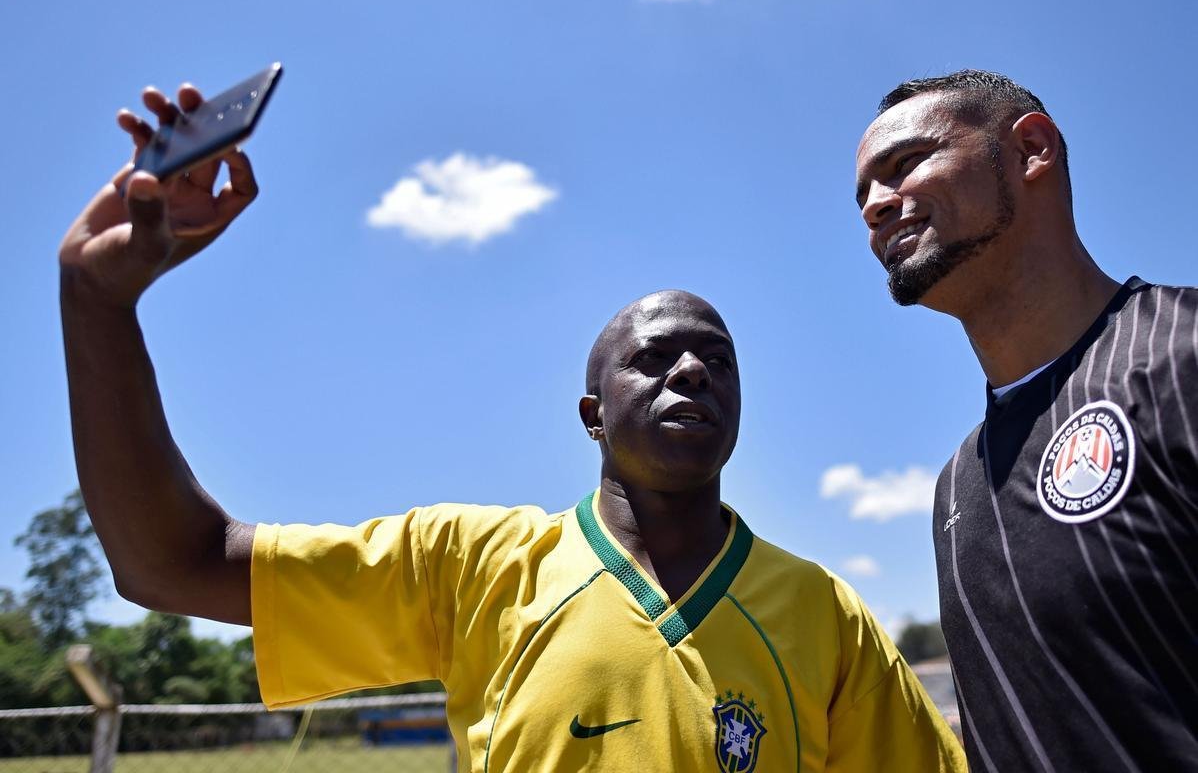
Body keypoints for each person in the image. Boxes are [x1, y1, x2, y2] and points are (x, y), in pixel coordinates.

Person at [59, 81, 964, 772]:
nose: (693, 370)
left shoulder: (824, 615)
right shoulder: (469, 567)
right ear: (592, 416)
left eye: (717, 360)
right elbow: (169, 563)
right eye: (655, 358)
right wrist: (97, 302)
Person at [855, 69, 1198, 771]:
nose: (875, 206)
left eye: (906, 162)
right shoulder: (958, 486)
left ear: (1031, 150)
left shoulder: (1184, 353)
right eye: (863, 195)